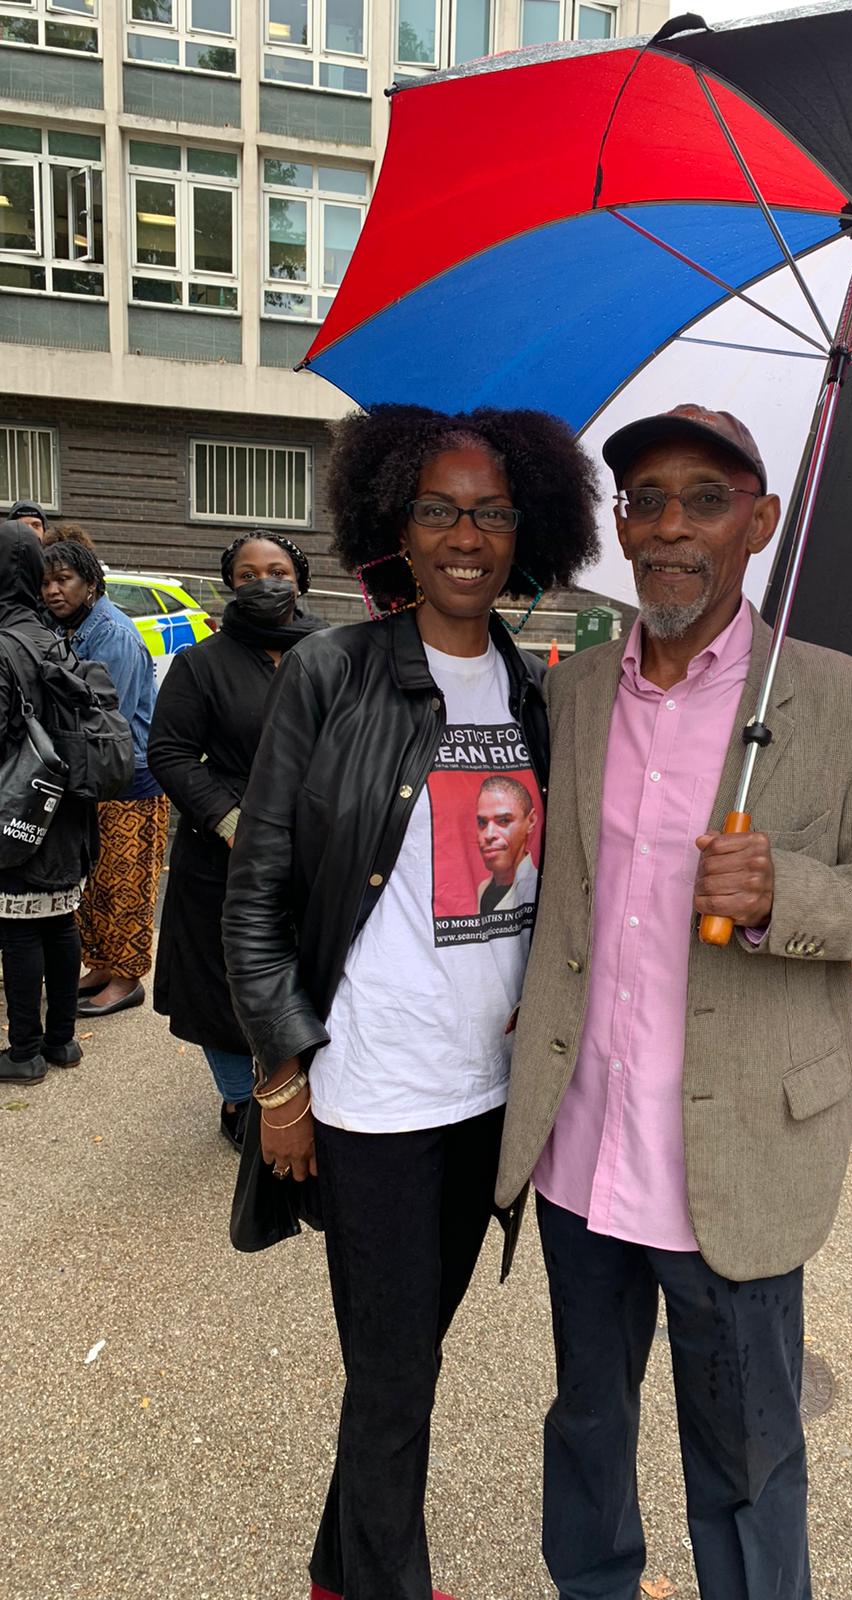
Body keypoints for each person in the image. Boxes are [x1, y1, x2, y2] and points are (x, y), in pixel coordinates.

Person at [496, 405, 852, 1600]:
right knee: (588, 1424)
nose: (670, 528)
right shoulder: (578, 690)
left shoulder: (850, 706)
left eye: (703, 498)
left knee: (747, 1455)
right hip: (581, 1150)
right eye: (645, 500)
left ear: (761, 520)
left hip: (737, 1155)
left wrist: (779, 893)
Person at [220, 404, 599, 1600]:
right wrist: (283, 1074)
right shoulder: (335, 671)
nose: (466, 533)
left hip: (485, 1096)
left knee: (405, 1364)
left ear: (525, 527)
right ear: (397, 522)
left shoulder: (536, 695)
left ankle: (339, 1571)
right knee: (394, 1384)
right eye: (440, 507)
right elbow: (257, 891)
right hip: (371, 1092)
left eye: (492, 510)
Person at [148, 531, 325, 1150]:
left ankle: (307, 1085)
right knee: (221, 989)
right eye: (247, 575)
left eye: (276, 570)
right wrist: (230, 820)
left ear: (299, 578)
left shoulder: (336, 651)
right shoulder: (202, 662)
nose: (264, 584)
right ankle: (237, 1098)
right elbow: (169, 751)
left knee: (311, 974)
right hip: (222, 856)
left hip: (317, 853)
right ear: (230, 584)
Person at [41, 541, 167, 1018]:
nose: (54, 591)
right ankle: (101, 964)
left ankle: (128, 978)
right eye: (47, 582)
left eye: (64, 581)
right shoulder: (67, 627)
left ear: (90, 583)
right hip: (89, 779)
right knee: (92, 884)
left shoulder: (112, 632)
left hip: (128, 778)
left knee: (126, 883)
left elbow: (104, 717)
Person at [0, 522, 98, 1083]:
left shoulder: (4, 641)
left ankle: (24, 1051)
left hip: (18, 806)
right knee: (61, 921)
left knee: (18, 930)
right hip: (67, 803)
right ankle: (62, 1041)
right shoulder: (49, 632)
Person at [474, 774, 538, 913]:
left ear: (531, 821)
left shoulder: (539, 888)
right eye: (482, 822)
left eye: (504, 820)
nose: (489, 834)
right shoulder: (483, 888)